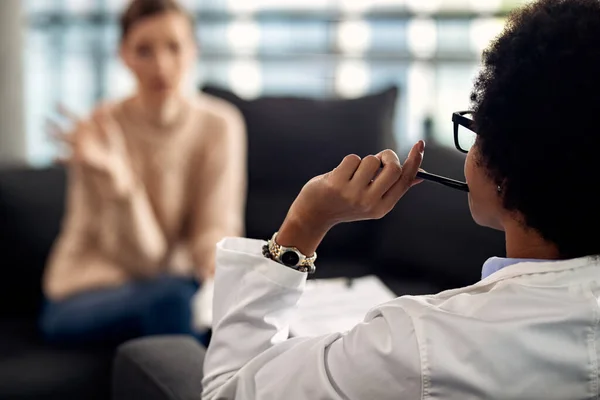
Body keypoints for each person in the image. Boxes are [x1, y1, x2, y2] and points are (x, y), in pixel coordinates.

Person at [201, 0, 600, 398]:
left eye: (476, 126)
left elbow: (229, 390)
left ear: (507, 176)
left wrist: (305, 222)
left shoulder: (416, 344)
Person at [40, 0, 246, 345]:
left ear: (193, 50)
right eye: (144, 50)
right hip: (79, 293)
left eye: (174, 47)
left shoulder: (220, 125)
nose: (161, 65)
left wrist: (217, 267)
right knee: (172, 298)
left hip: (172, 281)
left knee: (196, 298)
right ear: (123, 55)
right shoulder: (101, 131)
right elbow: (145, 261)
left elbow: (216, 224)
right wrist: (119, 182)